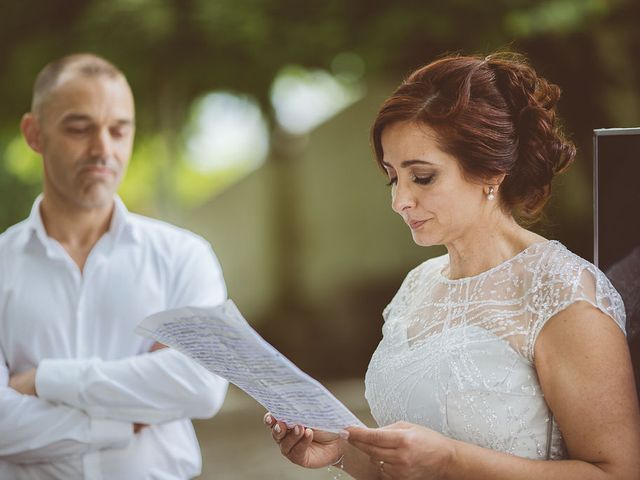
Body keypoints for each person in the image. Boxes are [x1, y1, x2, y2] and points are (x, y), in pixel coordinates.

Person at [264, 52, 640, 479]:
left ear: (491, 172)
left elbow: (618, 473)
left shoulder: (561, 291)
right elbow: (409, 463)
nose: (399, 200)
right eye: (392, 177)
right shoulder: (418, 285)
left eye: (422, 177)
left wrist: (452, 460)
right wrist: (340, 451)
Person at [0, 53, 228, 479]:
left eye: (118, 129)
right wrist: (127, 419)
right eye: (79, 128)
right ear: (34, 133)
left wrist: (43, 381)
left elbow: (203, 386)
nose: (103, 148)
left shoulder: (184, 256)